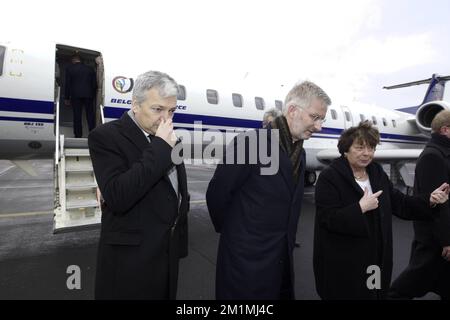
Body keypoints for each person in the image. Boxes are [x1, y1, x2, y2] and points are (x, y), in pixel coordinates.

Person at [207, 81, 332, 299]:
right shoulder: (251, 142)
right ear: (292, 110)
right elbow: (217, 195)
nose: (319, 126)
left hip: (281, 263)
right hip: (245, 265)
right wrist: (237, 238)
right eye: (315, 117)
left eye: (322, 119)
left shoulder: (299, 153)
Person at [313, 121, 449, 300]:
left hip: (376, 261)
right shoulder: (329, 177)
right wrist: (360, 208)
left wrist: (429, 200)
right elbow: (327, 219)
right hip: (345, 264)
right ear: (345, 149)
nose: (367, 154)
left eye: (371, 148)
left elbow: (400, 203)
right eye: (360, 148)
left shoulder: (376, 173)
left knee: (375, 294)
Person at [88, 70, 189, 300]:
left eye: (171, 111)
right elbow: (118, 196)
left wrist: (178, 246)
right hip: (129, 267)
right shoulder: (105, 136)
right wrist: (162, 148)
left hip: (165, 259)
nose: (166, 119)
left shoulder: (170, 139)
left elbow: (178, 191)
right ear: (135, 105)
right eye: (158, 109)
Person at [389, 110, 450, 300]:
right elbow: (440, 203)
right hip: (434, 240)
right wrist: (447, 240)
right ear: (446, 130)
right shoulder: (433, 156)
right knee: (403, 289)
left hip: (438, 239)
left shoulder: (441, 154)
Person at [65, 54, 97, 138]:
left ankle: (78, 135)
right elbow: (94, 84)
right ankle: (92, 133)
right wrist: (93, 95)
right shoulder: (90, 69)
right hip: (88, 95)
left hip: (76, 95)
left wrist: (66, 97)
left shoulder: (70, 69)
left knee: (77, 115)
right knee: (90, 115)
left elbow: (67, 84)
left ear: (73, 60)